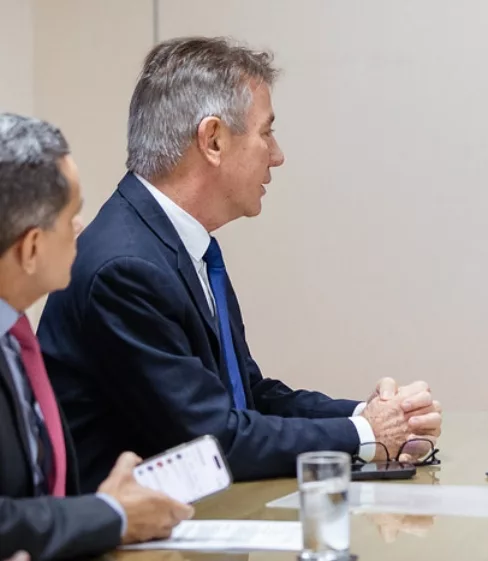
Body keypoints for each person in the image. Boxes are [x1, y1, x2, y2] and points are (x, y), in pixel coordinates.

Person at [37, 37, 442, 492]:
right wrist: (368, 435)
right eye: (266, 132)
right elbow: (213, 439)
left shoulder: (179, 243)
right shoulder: (126, 267)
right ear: (213, 140)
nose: (277, 154)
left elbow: (247, 395)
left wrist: (366, 418)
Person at [0, 113, 192, 561]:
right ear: (30, 248)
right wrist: (111, 514)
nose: (81, 227)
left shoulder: (14, 338)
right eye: (69, 216)